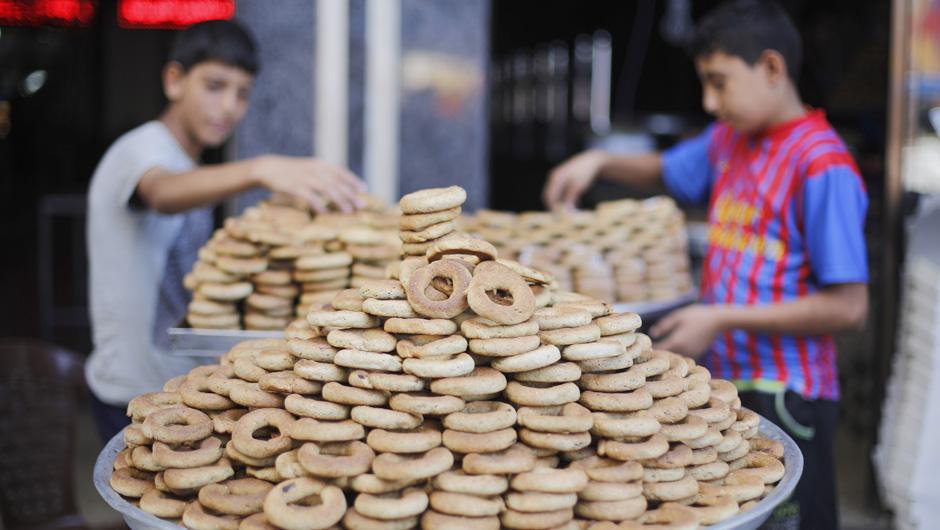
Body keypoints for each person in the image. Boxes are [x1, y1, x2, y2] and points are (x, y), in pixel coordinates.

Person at [543, 2, 867, 528]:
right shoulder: (730, 141)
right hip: (727, 386)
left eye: (718, 82)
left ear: (771, 67)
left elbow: (849, 307)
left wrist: (719, 316)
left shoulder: (822, 165)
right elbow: (665, 168)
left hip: (790, 395)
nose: (709, 102)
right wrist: (598, 160)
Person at [85, 20, 365, 443]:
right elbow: (161, 192)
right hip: (129, 391)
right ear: (174, 80)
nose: (228, 107)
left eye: (242, 93)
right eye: (214, 86)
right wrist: (260, 168)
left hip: (176, 384)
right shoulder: (142, 149)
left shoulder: (189, 164)